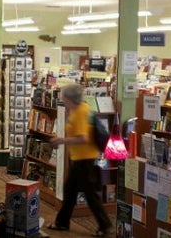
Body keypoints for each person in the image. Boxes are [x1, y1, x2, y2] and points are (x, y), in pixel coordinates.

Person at [47, 83, 112, 237]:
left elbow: (83, 138)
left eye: (63, 96)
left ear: (70, 98)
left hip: (85, 160)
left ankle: (105, 225)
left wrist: (61, 141)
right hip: (79, 159)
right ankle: (62, 222)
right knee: (69, 192)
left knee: (90, 195)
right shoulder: (78, 110)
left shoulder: (82, 111)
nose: (62, 98)